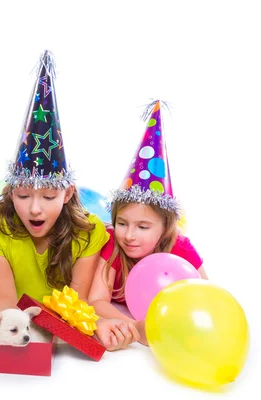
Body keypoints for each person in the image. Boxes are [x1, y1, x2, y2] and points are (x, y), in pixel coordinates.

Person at [0, 51, 139, 352]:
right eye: (24, 195)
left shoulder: (89, 231)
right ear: (10, 192)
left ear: (67, 194)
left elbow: (76, 301)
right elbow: (5, 297)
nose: (35, 208)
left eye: (49, 196)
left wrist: (95, 326)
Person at [89, 100, 208, 349]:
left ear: (165, 227)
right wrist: (135, 328)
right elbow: (96, 300)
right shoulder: (112, 242)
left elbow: (204, 297)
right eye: (122, 223)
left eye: (143, 227)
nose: (129, 235)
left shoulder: (181, 248)